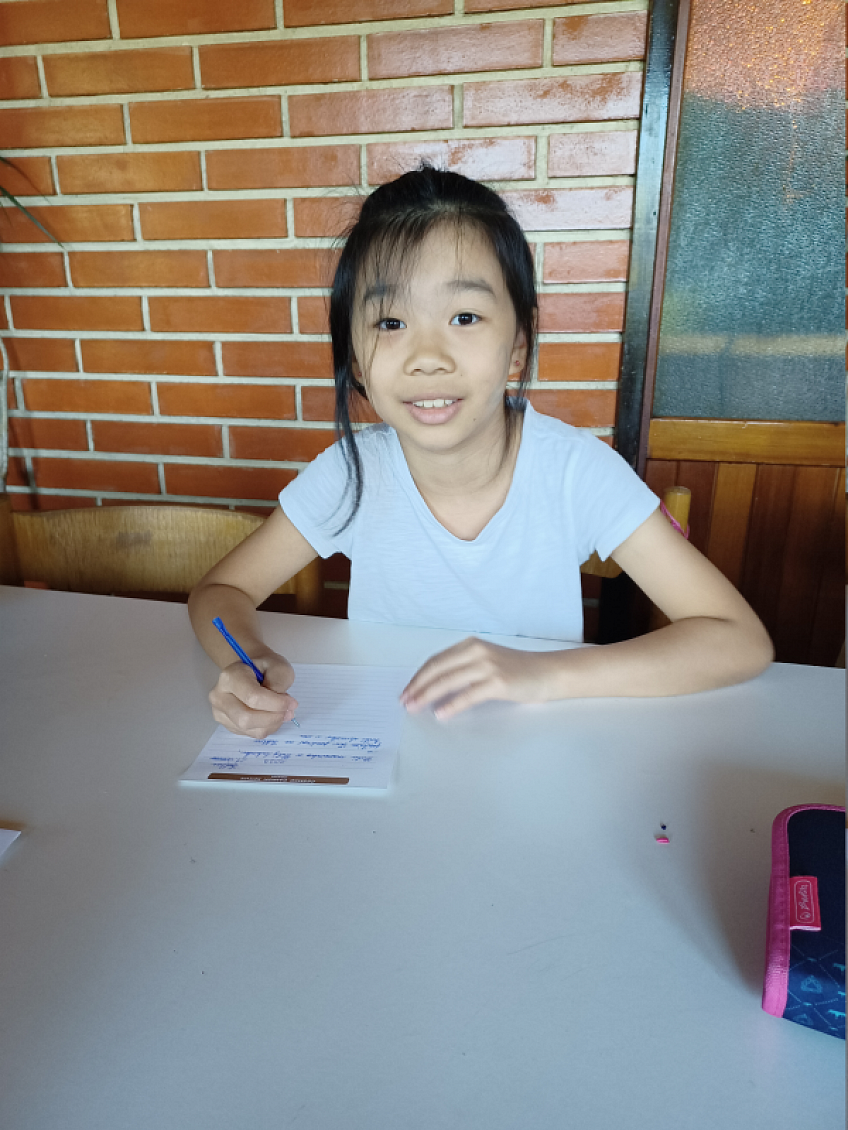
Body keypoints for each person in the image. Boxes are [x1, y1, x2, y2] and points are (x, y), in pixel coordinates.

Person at [188, 166, 773, 738]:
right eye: (390, 322)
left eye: (464, 317)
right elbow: (220, 593)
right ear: (357, 362)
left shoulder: (576, 471)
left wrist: (542, 673)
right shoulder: (350, 471)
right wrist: (247, 660)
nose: (427, 357)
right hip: (389, 746)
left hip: (538, 750)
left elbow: (737, 638)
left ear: (518, 345)